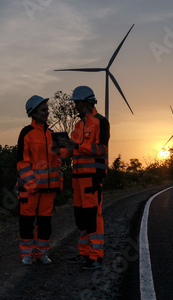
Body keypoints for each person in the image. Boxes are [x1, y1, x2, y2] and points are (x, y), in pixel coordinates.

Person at [62, 86, 110, 270]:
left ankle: (96, 256)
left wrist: (77, 146)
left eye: (77, 102)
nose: (75, 106)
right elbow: (72, 149)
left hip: (91, 178)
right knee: (81, 218)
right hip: (77, 178)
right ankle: (83, 253)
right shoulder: (78, 125)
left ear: (86, 102)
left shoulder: (101, 122)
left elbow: (101, 149)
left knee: (93, 216)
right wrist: (60, 150)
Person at [16, 95, 64, 265]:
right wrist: (31, 184)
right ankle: (27, 254)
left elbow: (59, 159)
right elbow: (22, 161)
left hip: (49, 189)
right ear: (33, 112)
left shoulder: (52, 134)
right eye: (43, 110)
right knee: (27, 223)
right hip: (30, 189)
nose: (47, 112)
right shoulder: (26, 133)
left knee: (45, 224)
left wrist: (66, 148)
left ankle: (42, 253)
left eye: (47, 109)